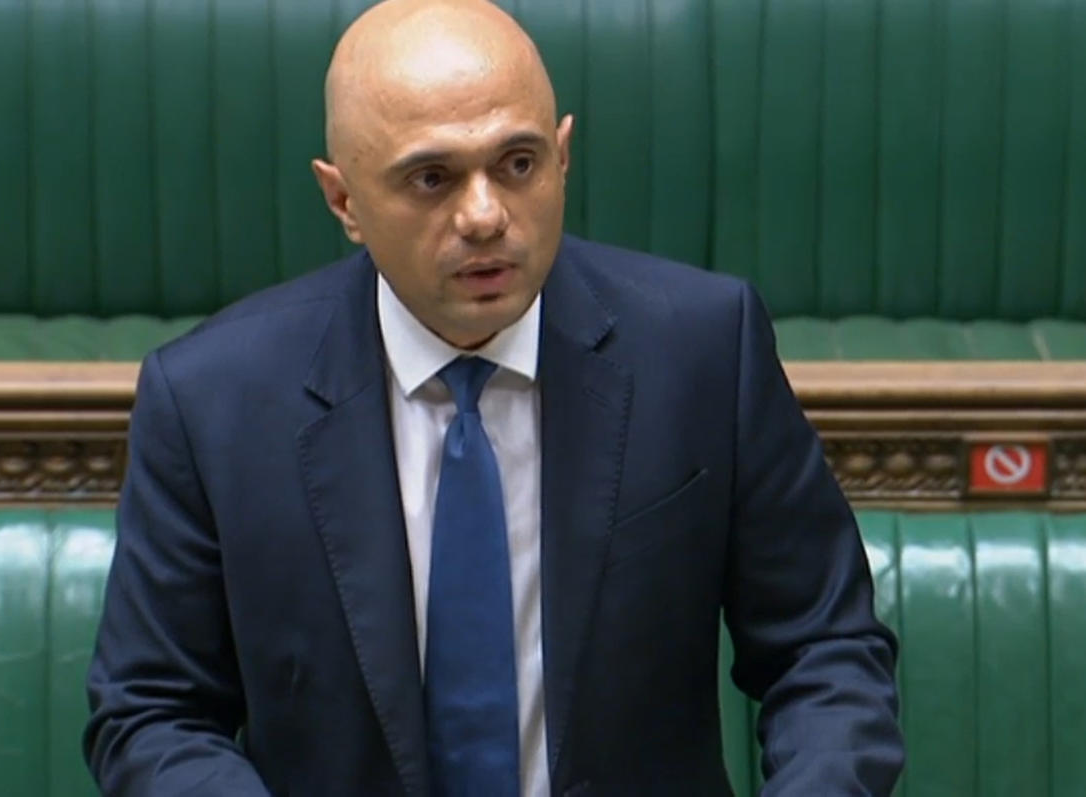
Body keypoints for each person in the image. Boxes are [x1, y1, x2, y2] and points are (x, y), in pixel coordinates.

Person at [83, 0, 904, 794]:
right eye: (432, 178)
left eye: (518, 164)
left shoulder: (701, 352)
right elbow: (153, 711)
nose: (484, 216)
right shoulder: (212, 401)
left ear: (563, 154)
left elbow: (825, 650)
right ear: (344, 201)